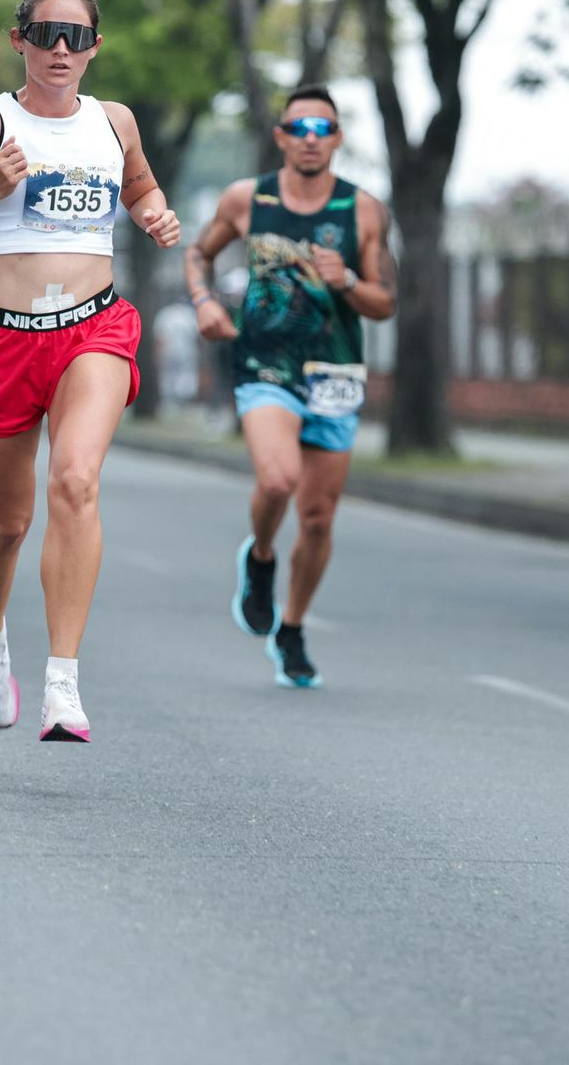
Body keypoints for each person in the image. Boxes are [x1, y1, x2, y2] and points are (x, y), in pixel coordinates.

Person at [0, 0, 181, 742]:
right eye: (47, 34)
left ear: (95, 46)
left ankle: (63, 684)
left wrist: (152, 213)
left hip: (93, 327)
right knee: (5, 525)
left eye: (78, 36)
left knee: (77, 482)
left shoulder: (114, 122)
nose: (62, 50)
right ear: (19, 39)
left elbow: (142, 187)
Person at [185, 84, 398, 689]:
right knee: (277, 478)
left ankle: (294, 626)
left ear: (337, 138)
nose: (310, 140)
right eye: (298, 129)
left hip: (333, 372)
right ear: (280, 136)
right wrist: (203, 301)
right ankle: (259, 558)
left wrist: (349, 281)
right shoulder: (246, 199)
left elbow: (384, 303)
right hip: (265, 364)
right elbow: (198, 255)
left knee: (319, 518)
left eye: (322, 129)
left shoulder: (362, 210)